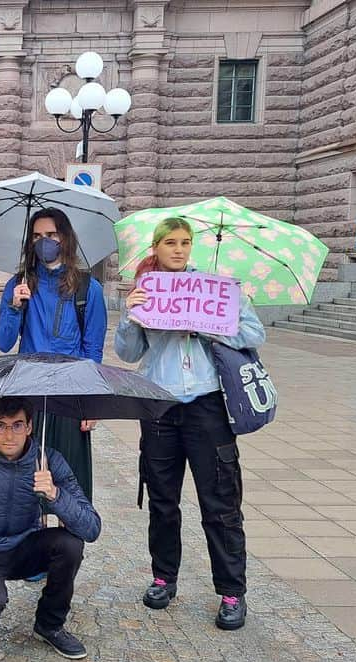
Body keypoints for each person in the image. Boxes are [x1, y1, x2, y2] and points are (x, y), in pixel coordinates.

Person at [114, 217, 266, 631]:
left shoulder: (215, 289)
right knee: (163, 501)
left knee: (219, 503)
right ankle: (164, 577)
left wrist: (210, 326)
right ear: (156, 247)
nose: (179, 250)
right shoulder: (147, 290)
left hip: (207, 406)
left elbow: (255, 333)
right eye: (170, 243)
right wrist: (131, 316)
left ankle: (232, 591)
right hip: (160, 407)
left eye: (185, 242)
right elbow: (127, 352)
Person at [0, 396, 100, 659]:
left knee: (70, 544)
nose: (9, 435)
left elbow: (92, 528)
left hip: (26, 547)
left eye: (17, 426)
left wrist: (55, 495)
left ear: (29, 427)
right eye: (1, 425)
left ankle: (49, 625)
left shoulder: (49, 461)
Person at [0, 208, 107, 502]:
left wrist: (92, 402)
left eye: (51, 235)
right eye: (37, 236)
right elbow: (4, 343)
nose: (44, 241)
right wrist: (14, 306)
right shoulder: (19, 284)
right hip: (28, 392)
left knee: (71, 482)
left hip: (70, 394)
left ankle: (69, 542)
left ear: (65, 238)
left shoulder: (87, 288)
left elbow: (93, 348)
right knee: (28, 480)